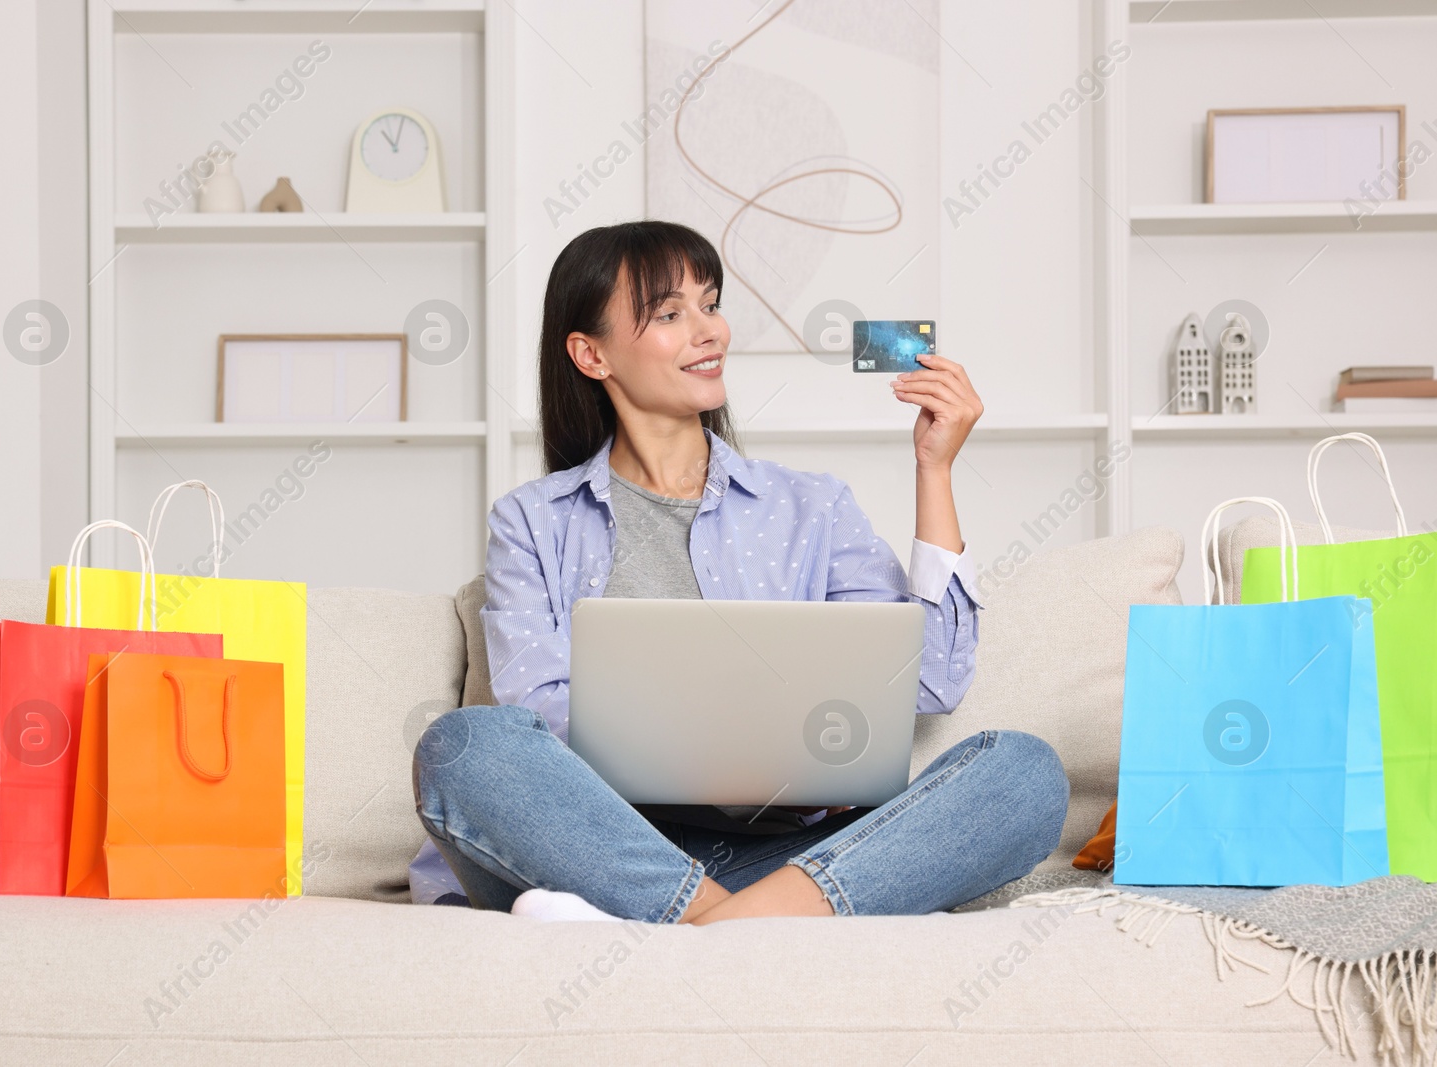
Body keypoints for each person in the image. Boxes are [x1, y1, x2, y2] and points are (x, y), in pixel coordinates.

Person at [408, 220, 1068, 924]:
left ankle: (706, 924)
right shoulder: (532, 521)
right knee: (465, 748)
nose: (711, 331)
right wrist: (737, 763)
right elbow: (536, 713)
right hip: (601, 847)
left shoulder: (812, 506)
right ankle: (755, 925)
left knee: (1024, 774)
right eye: (670, 313)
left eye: (711, 304)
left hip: (788, 856)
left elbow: (933, 677)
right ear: (591, 353)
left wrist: (934, 469)